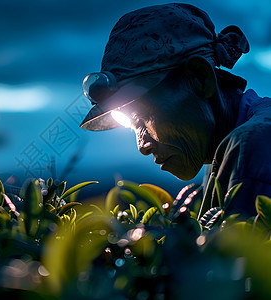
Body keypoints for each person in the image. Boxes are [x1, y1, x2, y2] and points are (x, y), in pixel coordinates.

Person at [80, 3, 271, 219]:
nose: (142, 146)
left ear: (200, 78)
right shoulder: (225, 148)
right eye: (132, 126)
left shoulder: (251, 144)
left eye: (142, 117)